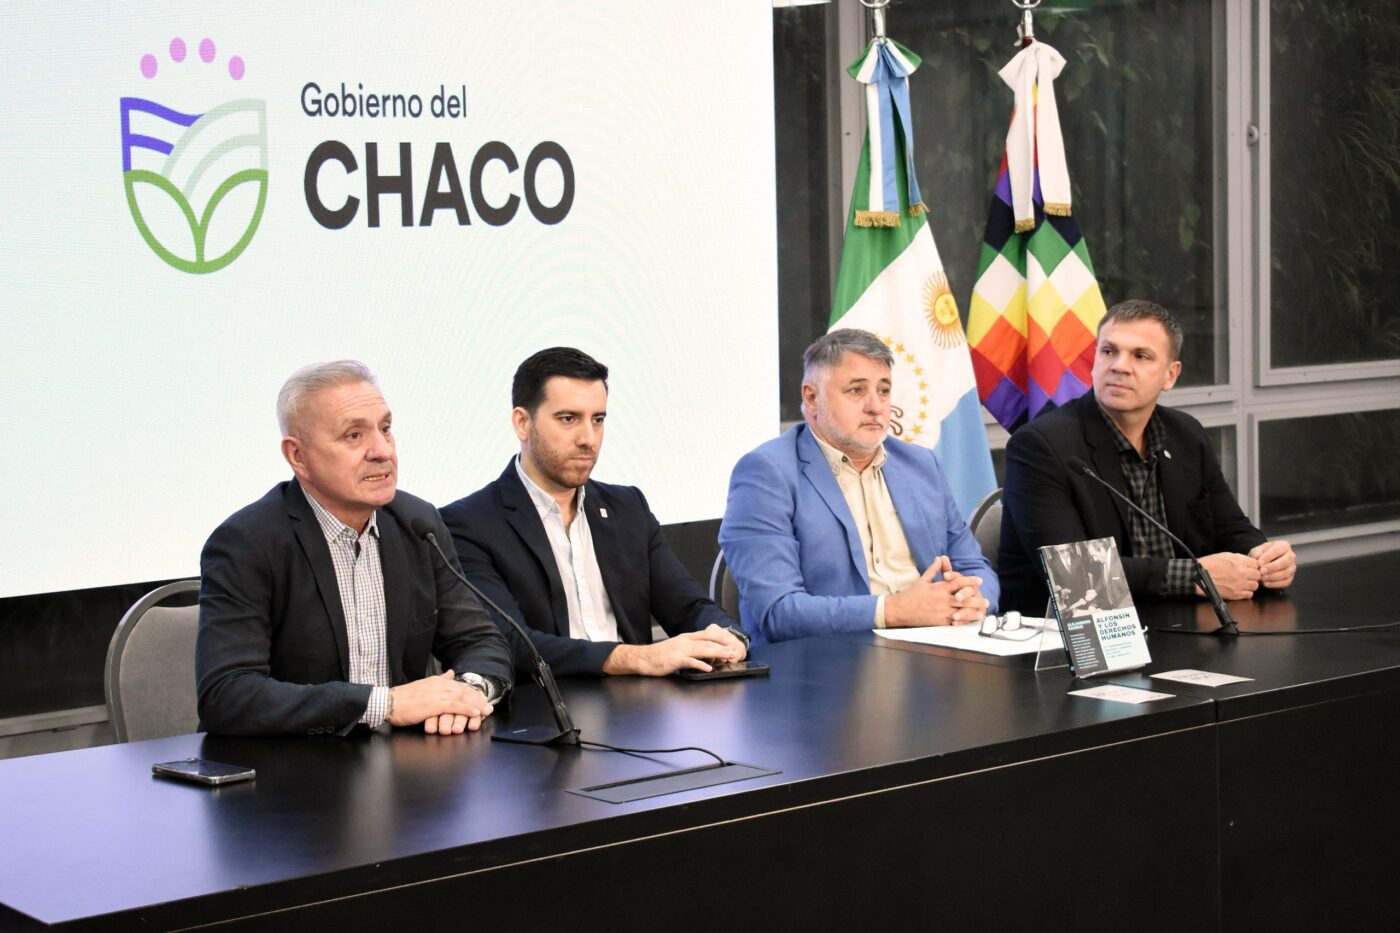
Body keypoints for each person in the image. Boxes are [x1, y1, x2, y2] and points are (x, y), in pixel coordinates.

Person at [196, 361, 513, 737]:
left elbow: (480, 640)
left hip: (404, 759)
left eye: (385, 429)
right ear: (297, 455)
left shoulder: (417, 522)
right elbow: (227, 695)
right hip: (292, 762)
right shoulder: (247, 542)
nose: (382, 450)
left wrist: (466, 694)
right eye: (353, 435)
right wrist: (386, 704)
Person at [439, 347, 748, 677]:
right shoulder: (467, 524)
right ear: (522, 423)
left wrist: (728, 637)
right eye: (568, 419)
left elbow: (688, 607)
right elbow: (508, 644)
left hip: (641, 701)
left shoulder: (628, 507)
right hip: (546, 704)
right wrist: (635, 658)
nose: (588, 438)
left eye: (597, 420)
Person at [998, 300, 1296, 613]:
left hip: (1179, 621)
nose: (1119, 366)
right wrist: (1194, 576)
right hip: (1072, 632)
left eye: (1140, 356)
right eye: (1108, 351)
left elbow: (1231, 528)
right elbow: (1073, 575)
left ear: (1170, 375)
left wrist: (1264, 556)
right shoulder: (1040, 446)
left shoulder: (1186, 434)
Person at [719, 329, 997, 645]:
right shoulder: (766, 474)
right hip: (830, 660)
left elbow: (974, 567)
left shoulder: (921, 465)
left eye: (884, 390)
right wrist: (893, 611)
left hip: (938, 648)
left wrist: (974, 599)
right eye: (856, 390)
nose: (876, 406)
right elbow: (779, 612)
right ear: (811, 398)